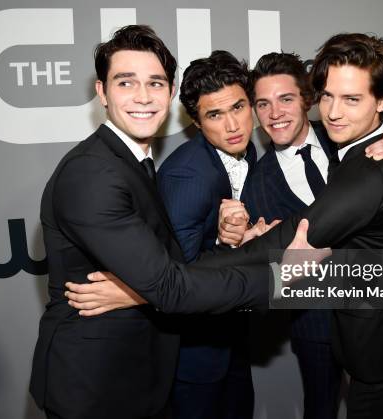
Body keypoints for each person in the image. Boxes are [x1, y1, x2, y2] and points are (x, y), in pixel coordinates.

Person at [72, 33, 383, 419]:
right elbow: (250, 245)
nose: (334, 111)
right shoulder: (250, 171)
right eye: (263, 103)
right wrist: (187, 266)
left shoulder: (368, 149)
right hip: (317, 320)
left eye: (349, 99)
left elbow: (288, 237)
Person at [29, 25, 292, 419]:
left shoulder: (133, 161)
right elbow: (171, 284)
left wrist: (140, 288)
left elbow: (164, 264)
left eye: (155, 83)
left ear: (169, 94)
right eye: (125, 82)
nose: (142, 96)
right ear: (101, 92)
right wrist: (281, 275)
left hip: (143, 372)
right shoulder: (93, 174)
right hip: (97, 386)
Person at [217, 52, 383, 419]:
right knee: (321, 409)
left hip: (381, 319)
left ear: (308, 99)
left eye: (286, 99)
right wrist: (233, 239)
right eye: (262, 103)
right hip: (314, 320)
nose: (274, 113)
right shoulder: (256, 182)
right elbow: (260, 248)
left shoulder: (345, 133)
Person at [157, 51, 257, 419]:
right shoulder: (189, 175)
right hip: (195, 354)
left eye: (238, 107)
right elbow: (176, 277)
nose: (233, 125)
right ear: (197, 123)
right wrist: (230, 242)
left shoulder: (249, 152)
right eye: (215, 115)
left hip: (232, 336)